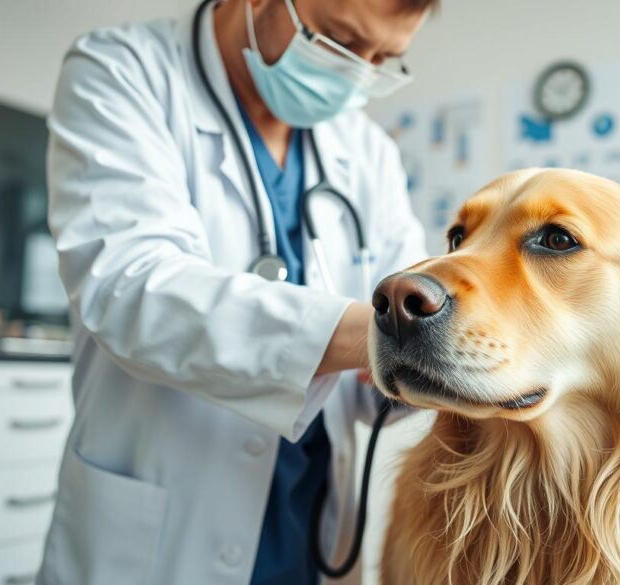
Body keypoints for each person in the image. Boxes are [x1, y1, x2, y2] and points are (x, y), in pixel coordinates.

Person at [38, 0, 436, 583]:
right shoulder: (123, 71)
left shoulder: (368, 153)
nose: (359, 74)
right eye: (340, 42)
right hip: (158, 536)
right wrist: (376, 337)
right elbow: (133, 287)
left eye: (384, 60)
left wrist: (414, 375)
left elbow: (396, 339)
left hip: (308, 527)